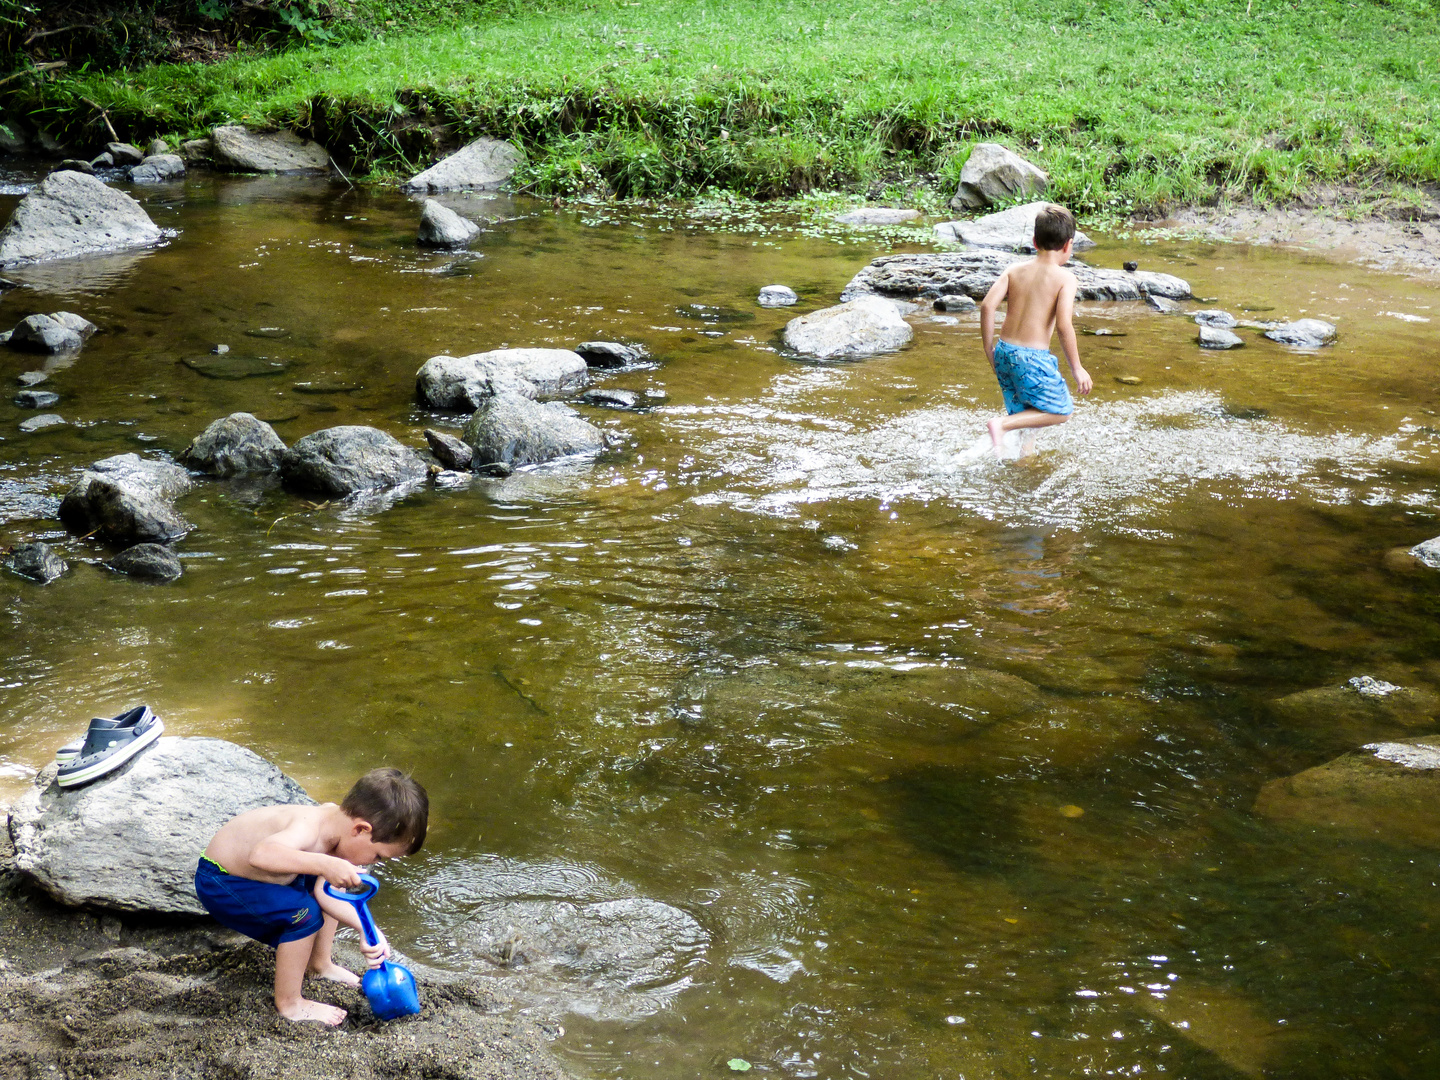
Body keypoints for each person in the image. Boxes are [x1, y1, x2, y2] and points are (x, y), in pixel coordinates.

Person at [195, 767, 428, 1025]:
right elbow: (261, 854)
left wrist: (366, 928)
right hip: (221, 881)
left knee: (331, 884)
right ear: (361, 829)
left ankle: (320, 964)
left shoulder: (337, 826)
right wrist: (324, 865)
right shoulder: (310, 828)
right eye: (378, 856)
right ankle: (290, 1003)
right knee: (304, 914)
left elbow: (327, 895)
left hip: (264, 879)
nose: (375, 862)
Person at [978, 203, 1093, 456]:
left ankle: (1024, 461)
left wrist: (989, 349)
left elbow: (987, 306)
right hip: (1032, 358)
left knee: (1028, 418)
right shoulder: (1065, 278)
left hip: (1004, 352)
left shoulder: (1014, 270)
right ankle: (1001, 425)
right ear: (1068, 245)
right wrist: (1077, 368)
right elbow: (1064, 326)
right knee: (1061, 410)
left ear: (1034, 240)